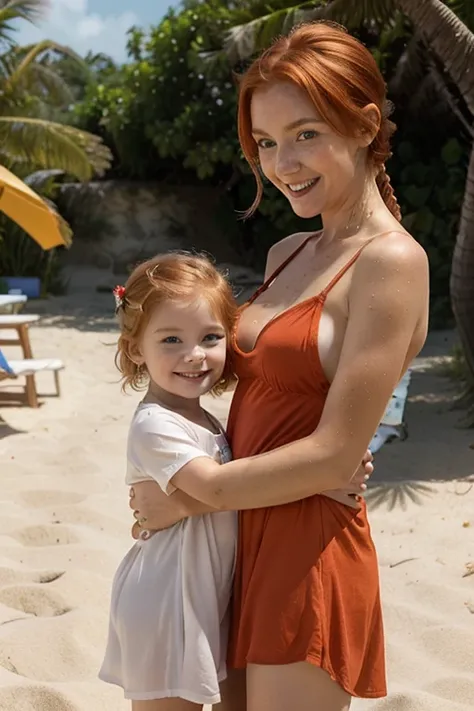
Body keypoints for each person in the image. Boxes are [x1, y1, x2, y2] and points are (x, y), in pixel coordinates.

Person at [128, 21, 429, 711]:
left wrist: (186, 495)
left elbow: (330, 456)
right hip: (233, 536)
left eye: (305, 134)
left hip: (306, 546)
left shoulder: (391, 262)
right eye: (266, 142)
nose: (282, 162)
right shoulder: (285, 255)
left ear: (364, 124)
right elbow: (220, 380)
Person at [99, 252, 371, 711]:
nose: (194, 355)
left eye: (210, 337)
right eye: (170, 339)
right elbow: (219, 487)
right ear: (134, 349)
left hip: (207, 593)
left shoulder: (204, 420)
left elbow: (230, 481)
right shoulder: (156, 424)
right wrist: (319, 479)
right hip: (167, 599)